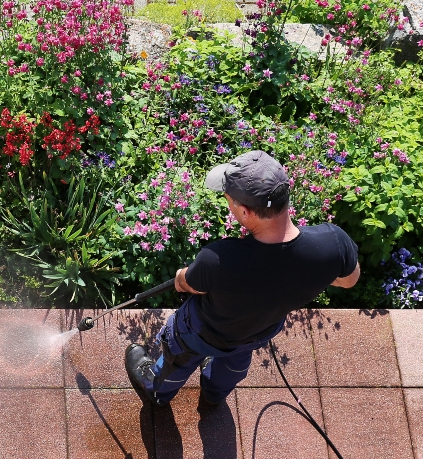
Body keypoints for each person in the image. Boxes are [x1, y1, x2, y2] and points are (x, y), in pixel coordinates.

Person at [126, 150, 361, 407]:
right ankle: (214, 395)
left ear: (246, 212)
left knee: (179, 357)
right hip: (259, 330)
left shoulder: (219, 259)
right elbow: (349, 279)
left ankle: (157, 391)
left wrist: (182, 274)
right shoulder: (333, 242)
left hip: (203, 332)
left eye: (229, 201)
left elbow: (186, 284)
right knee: (233, 364)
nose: (228, 205)